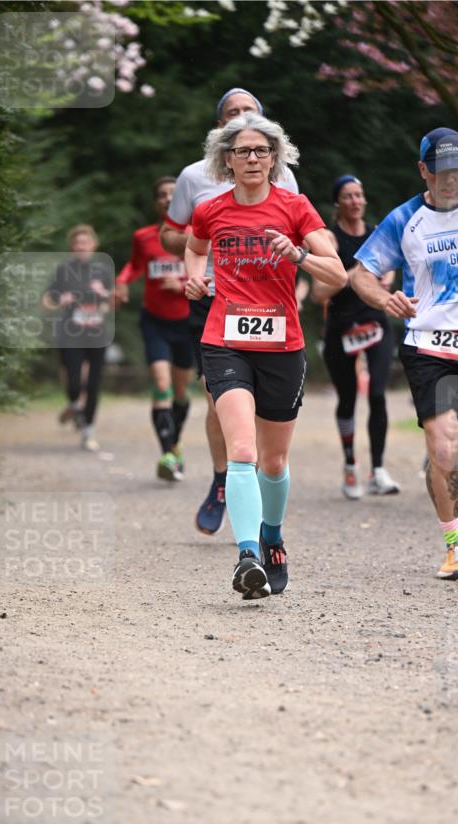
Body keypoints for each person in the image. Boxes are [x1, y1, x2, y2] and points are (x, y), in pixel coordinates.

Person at [184, 112, 346, 599]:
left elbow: (337, 274)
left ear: (274, 159)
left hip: (282, 346)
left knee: (273, 462)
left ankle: (272, 536)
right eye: (242, 151)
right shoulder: (210, 210)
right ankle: (248, 555)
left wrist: (297, 256)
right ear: (227, 161)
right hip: (225, 339)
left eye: (261, 151)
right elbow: (194, 250)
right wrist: (195, 277)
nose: (252, 158)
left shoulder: (295, 208)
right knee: (243, 452)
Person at [351, 127, 458, 582]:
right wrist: (384, 300)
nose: (450, 179)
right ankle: (453, 546)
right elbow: (360, 272)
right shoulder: (404, 219)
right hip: (427, 345)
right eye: (440, 171)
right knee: (443, 447)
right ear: (423, 170)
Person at [161, 88, 299, 533]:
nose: (241, 116)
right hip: (215, 298)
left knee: (268, 414)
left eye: (249, 112)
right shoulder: (193, 177)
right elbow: (172, 235)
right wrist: (200, 258)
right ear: (221, 127)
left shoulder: (284, 177)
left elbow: (300, 232)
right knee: (217, 397)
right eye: (232, 113)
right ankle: (226, 478)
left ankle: (254, 474)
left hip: (269, 302)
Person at [311, 174, 400, 500]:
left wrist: (385, 275)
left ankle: (378, 470)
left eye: (359, 195)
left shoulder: (377, 235)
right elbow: (319, 292)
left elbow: (390, 271)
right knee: (347, 399)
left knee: (377, 394)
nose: (355, 201)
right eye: (348, 196)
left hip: (374, 323)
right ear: (338, 203)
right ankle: (350, 466)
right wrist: (355, 275)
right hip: (341, 326)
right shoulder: (330, 240)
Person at [115, 177, 193, 483]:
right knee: (162, 384)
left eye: (173, 195)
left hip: (187, 323)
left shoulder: (197, 235)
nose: (167, 199)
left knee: (181, 391)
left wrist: (183, 285)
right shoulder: (144, 237)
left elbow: (214, 273)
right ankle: (167, 456)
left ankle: (175, 443)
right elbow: (134, 266)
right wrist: (121, 282)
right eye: (162, 195)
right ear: (156, 203)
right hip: (155, 321)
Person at [42, 224, 113, 451]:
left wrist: (105, 296)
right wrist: (58, 301)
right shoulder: (63, 270)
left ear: (94, 246)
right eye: (77, 243)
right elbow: (47, 301)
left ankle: (88, 432)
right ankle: (74, 404)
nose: (81, 247)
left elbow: (113, 302)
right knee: (74, 382)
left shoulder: (103, 271)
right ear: (72, 247)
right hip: (70, 333)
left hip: (96, 333)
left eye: (86, 243)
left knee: (93, 384)